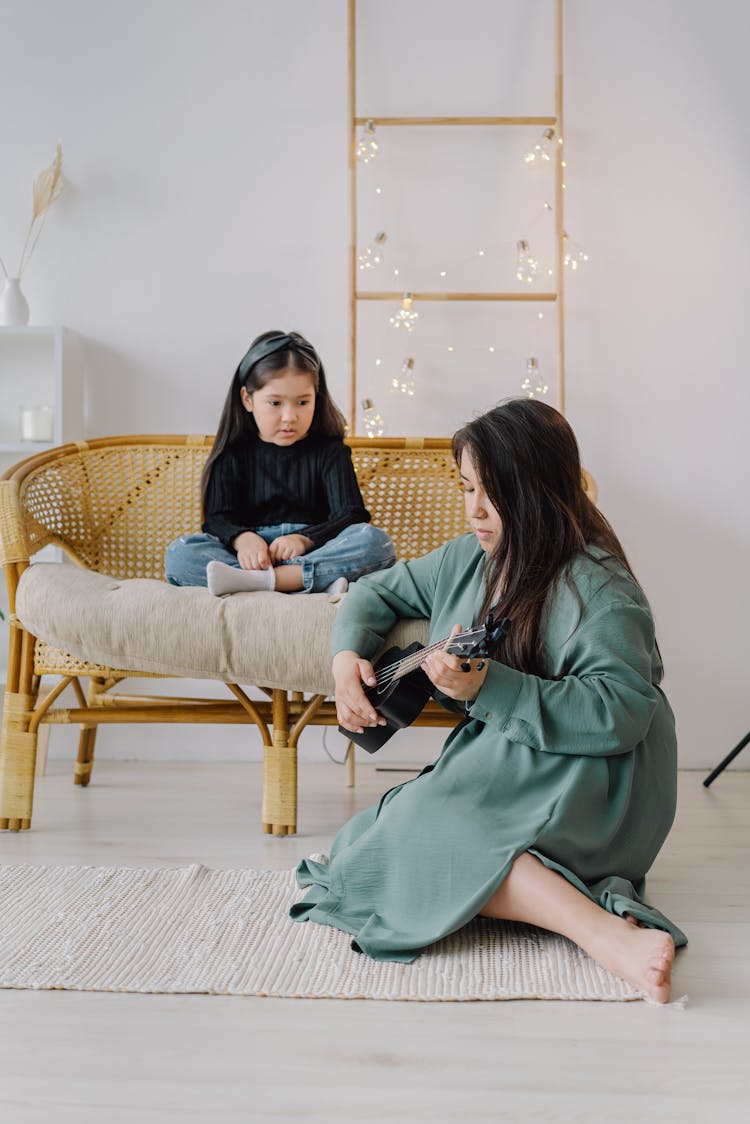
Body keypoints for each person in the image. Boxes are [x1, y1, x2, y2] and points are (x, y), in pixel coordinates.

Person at [290, 398, 686, 1004]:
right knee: (369, 843)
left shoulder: (598, 585)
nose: (474, 509)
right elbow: (375, 593)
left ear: (537, 491)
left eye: (492, 492)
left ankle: (603, 935)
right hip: (515, 751)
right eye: (467, 487)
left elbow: (623, 712)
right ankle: (564, 903)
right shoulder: (468, 558)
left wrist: (486, 687)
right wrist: (346, 661)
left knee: (422, 831)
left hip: (599, 771)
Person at [165, 330, 396, 595]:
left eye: (302, 402)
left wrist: (305, 539)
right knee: (180, 553)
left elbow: (351, 515)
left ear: (315, 399)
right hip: (251, 557)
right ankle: (306, 581)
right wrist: (243, 539)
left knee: (376, 543)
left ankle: (260, 582)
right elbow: (218, 519)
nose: (289, 416)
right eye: (275, 403)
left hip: (313, 550)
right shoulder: (233, 453)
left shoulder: (330, 451)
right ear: (247, 399)